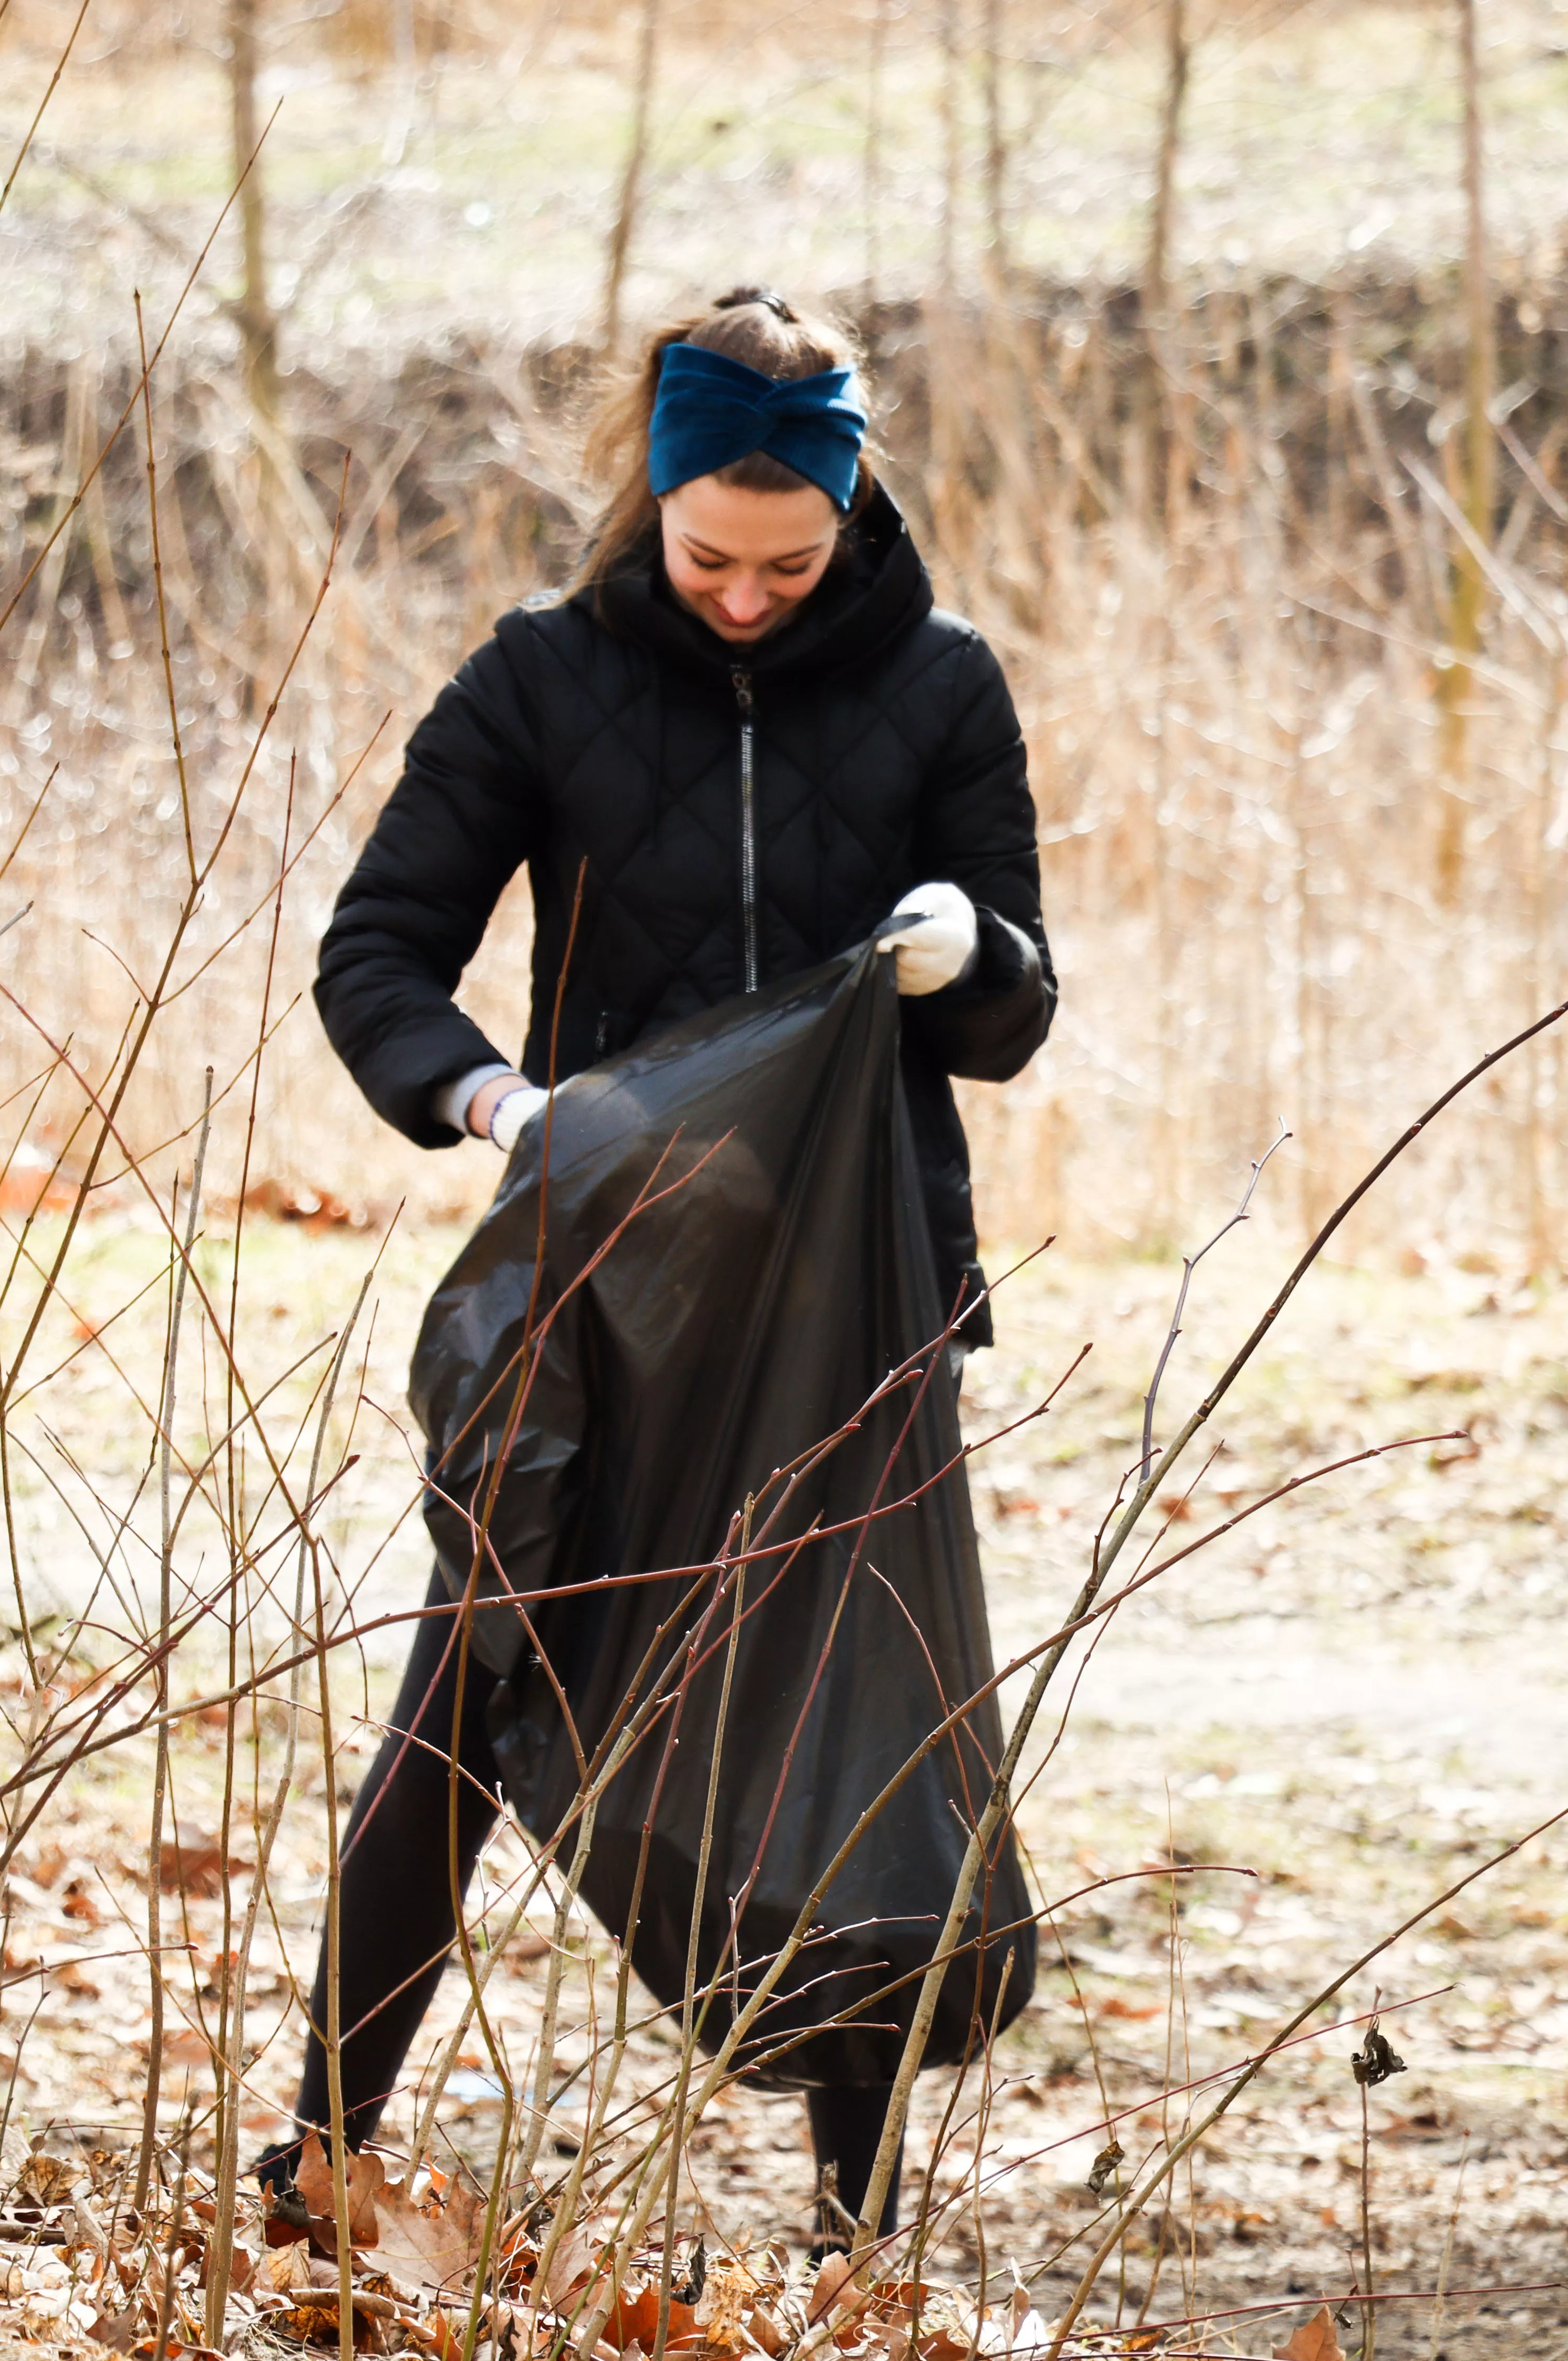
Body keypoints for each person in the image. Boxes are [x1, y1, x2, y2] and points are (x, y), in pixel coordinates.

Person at [294, 286, 1056, 2241]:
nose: (744, 595)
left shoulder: (944, 685)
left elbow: (1009, 1019)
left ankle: (854, 2230)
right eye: (711, 557)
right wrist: (486, 1104)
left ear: (851, 506)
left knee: (848, 1737)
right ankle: (320, 2156)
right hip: (601, 1288)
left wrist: (970, 949)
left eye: (789, 562)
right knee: (466, 1696)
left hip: (859, 1303)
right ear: (649, 500)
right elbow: (376, 953)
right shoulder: (540, 681)